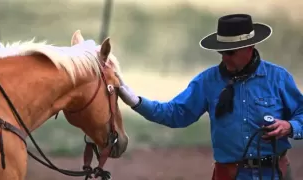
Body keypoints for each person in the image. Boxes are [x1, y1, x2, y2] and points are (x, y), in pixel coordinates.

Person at [117, 14, 303, 180]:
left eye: (230, 52)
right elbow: (175, 113)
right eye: (221, 52)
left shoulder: (278, 78)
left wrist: (290, 126)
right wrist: (136, 102)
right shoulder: (207, 81)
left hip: (275, 173)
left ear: (250, 47)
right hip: (229, 174)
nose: (224, 58)